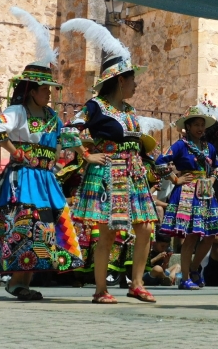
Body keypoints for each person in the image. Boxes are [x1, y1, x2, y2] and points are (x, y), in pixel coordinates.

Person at [61, 17, 159, 304]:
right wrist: (87, 155)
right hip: (108, 173)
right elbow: (69, 130)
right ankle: (100, 289)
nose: (136, 85)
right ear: (119, 80)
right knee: (105, 232)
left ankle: (137, 283)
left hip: (133, 173)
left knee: (145, 227)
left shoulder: (128, 111)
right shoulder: (96, 106)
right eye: (132, 79)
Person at [0, 7, 82, 301]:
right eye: (45, 89)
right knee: (26, 223)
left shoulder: (52, 116)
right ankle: (18, 281)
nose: (50, 94)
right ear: (32, 90)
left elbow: (65, 137)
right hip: (24, 177)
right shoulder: (17, 111)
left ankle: (25, 280)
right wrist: (15, 152)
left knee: (46, 224)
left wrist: (78, 153)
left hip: (44, 177)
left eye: (51, 89)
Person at [156, 103, 218, 290]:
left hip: (205, 192)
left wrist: (212, 178)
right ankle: (185, 277)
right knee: (191, 236)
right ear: (187, 127)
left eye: (202, 125)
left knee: (210, 235)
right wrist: (175, 179)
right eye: (196, 124)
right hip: (187, 193)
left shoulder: (209, 147)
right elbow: (160, 163)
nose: (200, 128)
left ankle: (195, 268)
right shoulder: (180, 146)